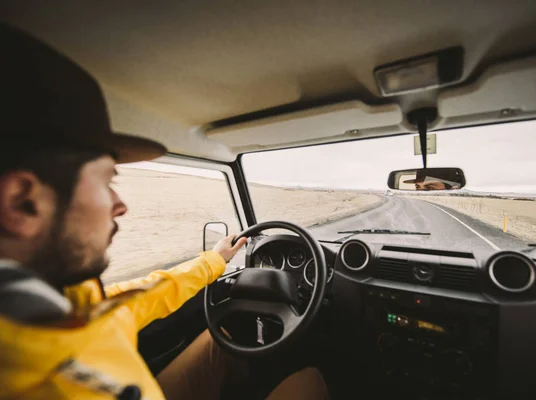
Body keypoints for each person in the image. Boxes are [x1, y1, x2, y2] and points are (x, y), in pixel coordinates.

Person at [0, 24, 328, 400]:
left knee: (218, 341)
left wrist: (214, 261)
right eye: (107, 180)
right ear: (22, 202)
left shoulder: (64, 300)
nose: (120, 205)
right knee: (308, 381)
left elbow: (139, 297)